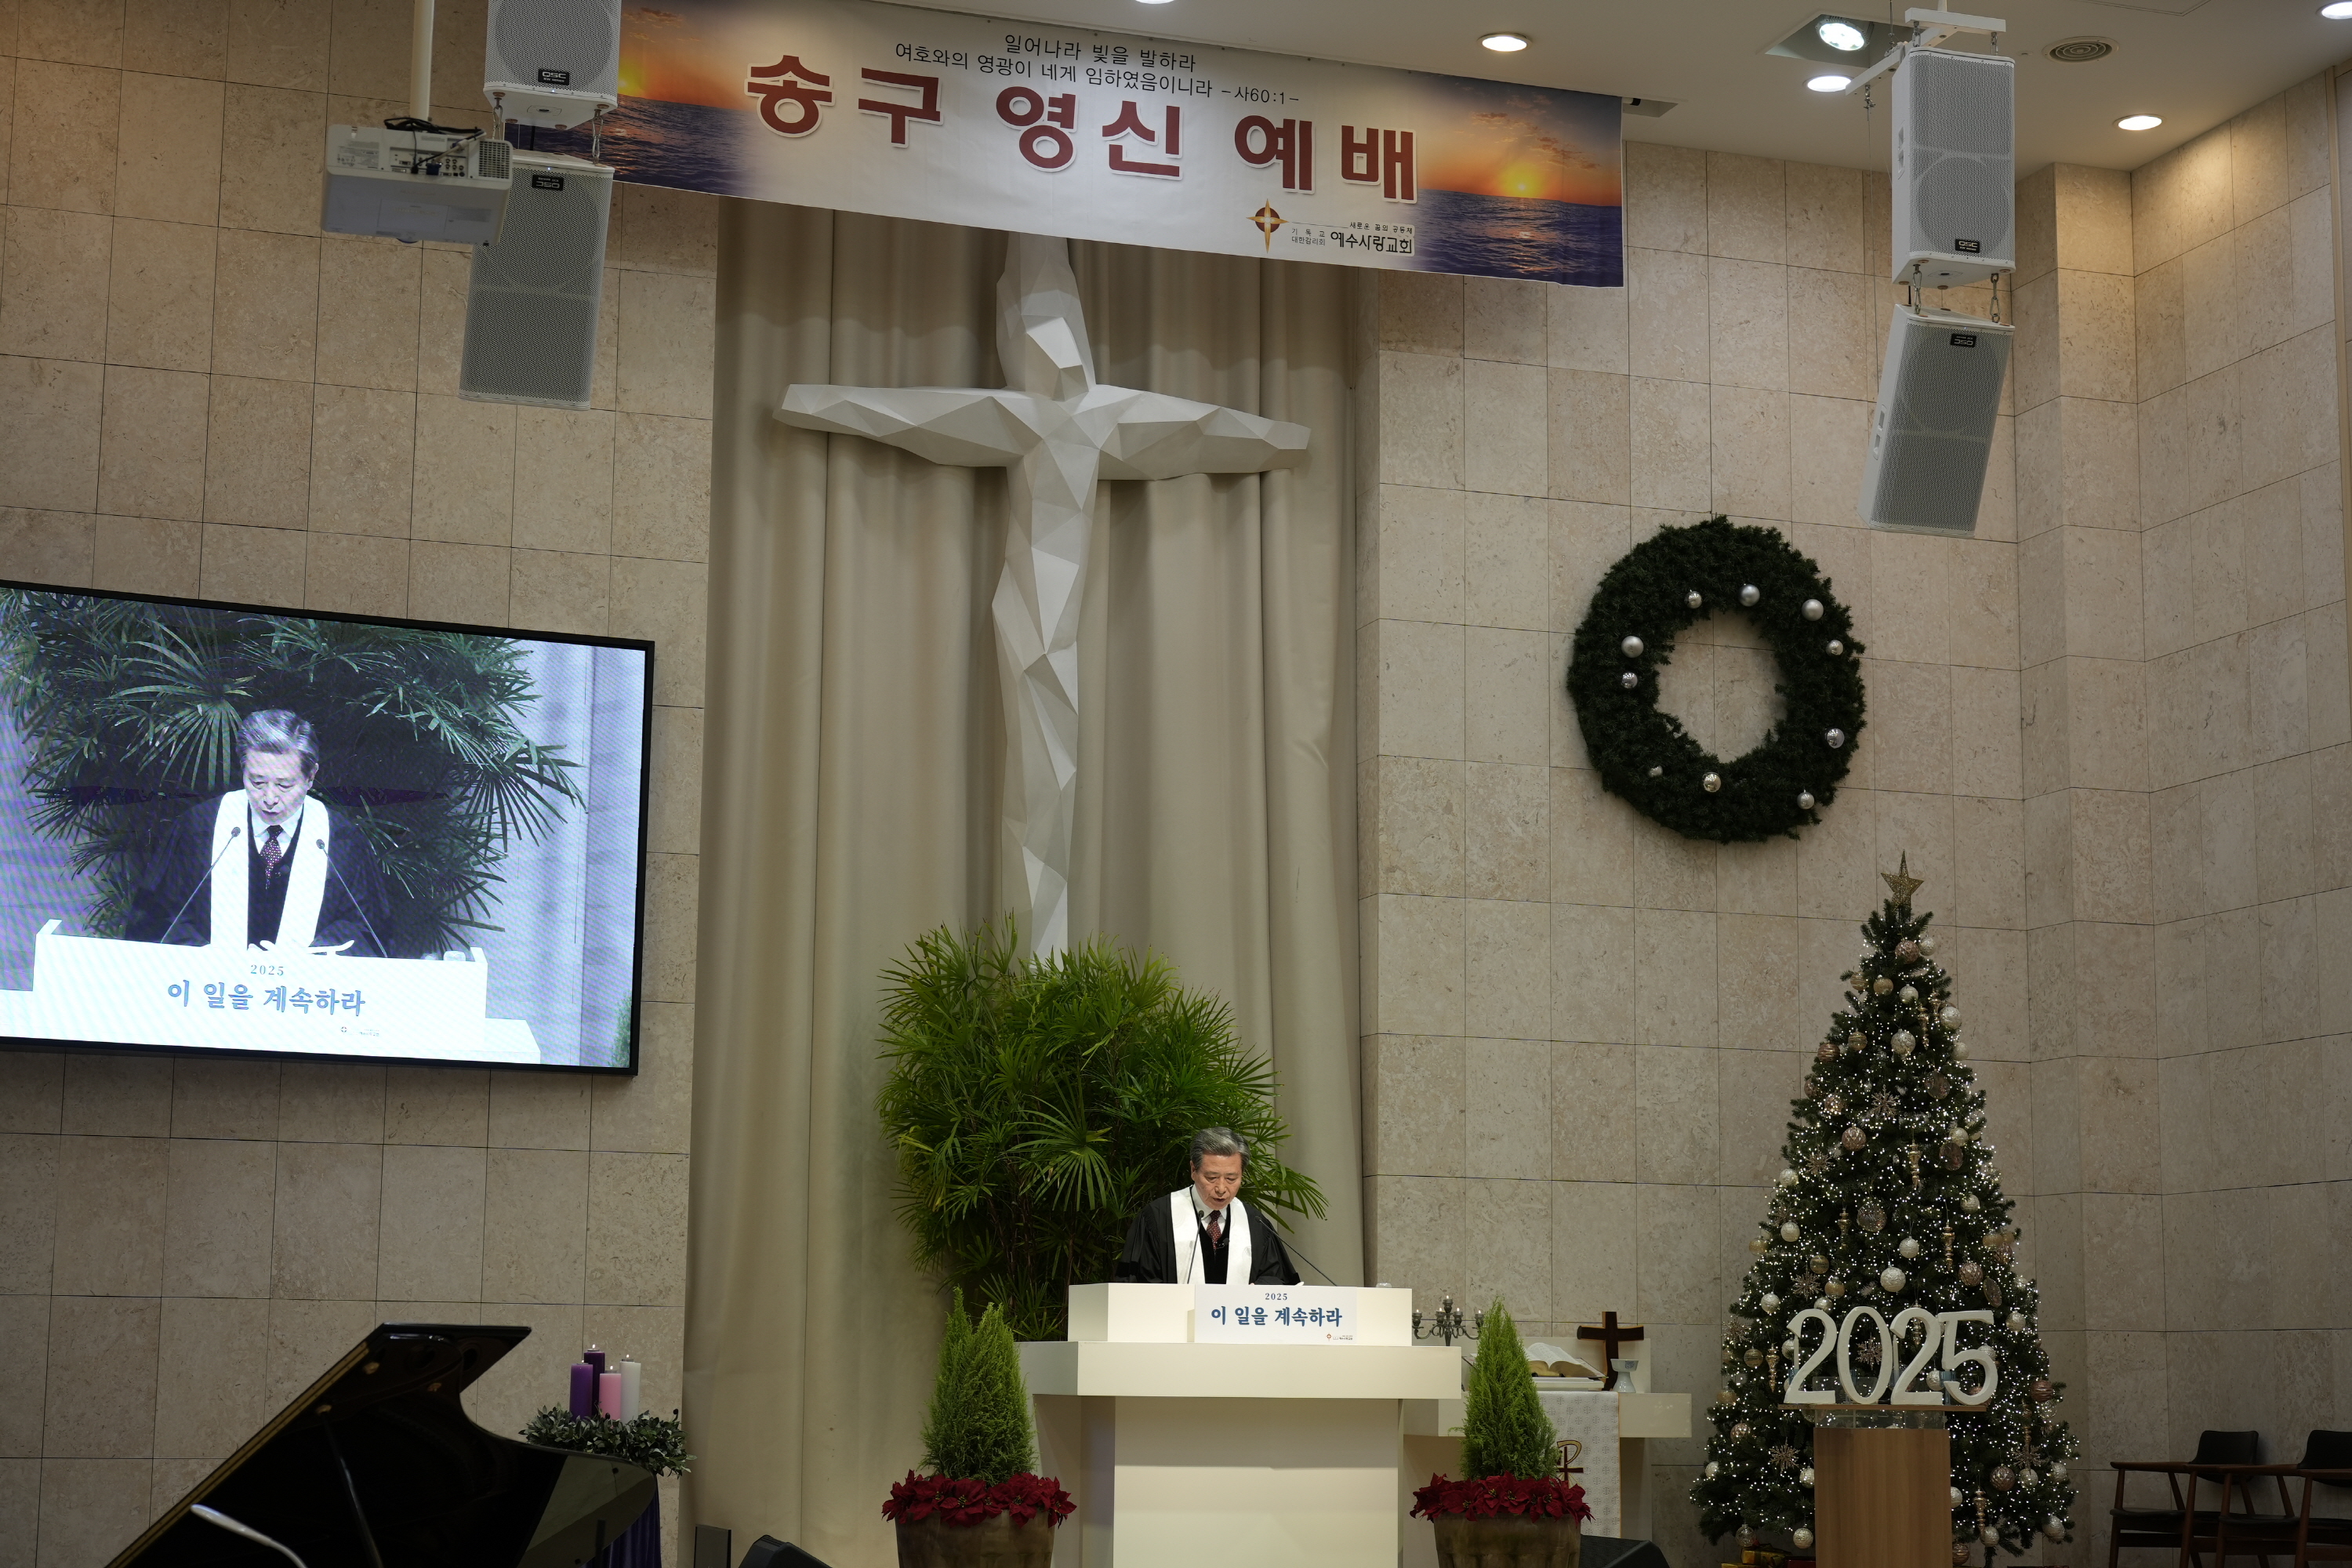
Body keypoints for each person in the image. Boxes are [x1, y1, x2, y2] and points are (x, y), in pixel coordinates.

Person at [125, 709, 392, 956]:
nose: (269, 799)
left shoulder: (341, 840)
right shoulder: (200, 827)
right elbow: (159, 918)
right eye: (257, 782)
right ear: (244, 771)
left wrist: (311, 959)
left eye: (284, 785)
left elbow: (363, 929)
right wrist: (210, 959)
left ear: (311, 776)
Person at [1112, 1127, 1301, 1286]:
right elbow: (1139, 1283)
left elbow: (1276, 1277)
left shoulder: (1255, 1222)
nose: (1221, 1188)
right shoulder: (1159, 1217)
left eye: (1231, 1178)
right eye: (1211, 1178)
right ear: (1193, 1170)